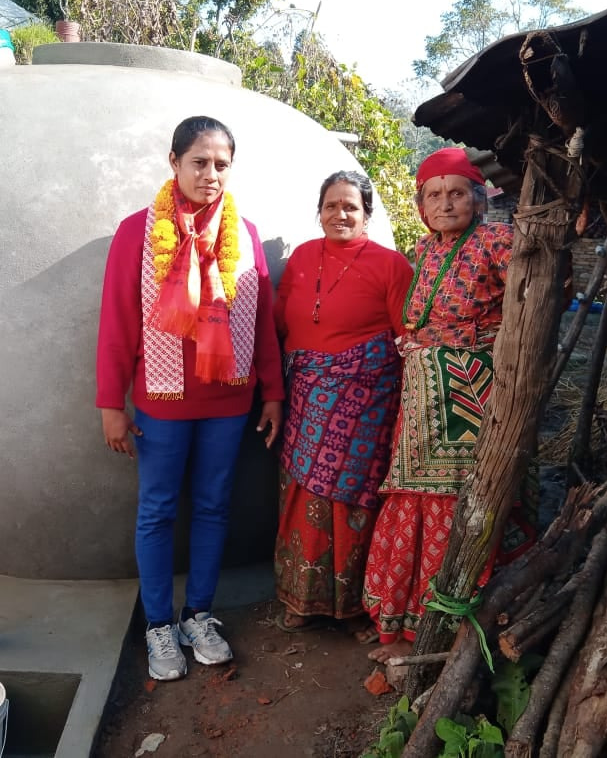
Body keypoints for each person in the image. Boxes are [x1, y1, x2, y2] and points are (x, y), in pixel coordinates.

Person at [96, 116, 285, 682]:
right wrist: (111, 404)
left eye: (221, 164)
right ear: (173, 162)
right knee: (157, 509)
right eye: (199, 162)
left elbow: (263, 326)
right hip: (161, 398)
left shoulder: (245, 233)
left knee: (212, 506)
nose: (210, 174)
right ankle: (159, 624)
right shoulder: (138, 231)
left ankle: (199, 614)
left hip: (229, 398)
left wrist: (272, 393)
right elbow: (117, 322)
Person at [362, 147, 537, 661]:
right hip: (421, 403)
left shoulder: (499, 242)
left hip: (473, 396)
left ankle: (456, 626)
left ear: (477, 200)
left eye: (456, 193)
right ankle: (407, 622)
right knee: (414, 496)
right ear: (421, 204)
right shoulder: (419, 253)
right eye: (434, 195)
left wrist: (477, 341)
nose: (445, 203)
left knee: (464, 500)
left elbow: (536, 300)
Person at [272, 171, 412, 642]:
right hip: (306, 397)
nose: (340, 214)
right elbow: (278, 321)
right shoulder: (302, 259)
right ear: (319, 211)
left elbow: (406, 339)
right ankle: (301, 599)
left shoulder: (391, 266)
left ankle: (355, 606)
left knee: (355, 501)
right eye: (331, 205)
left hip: (366, 403)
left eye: (351, 206)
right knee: (303, 496)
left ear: (367, 213)